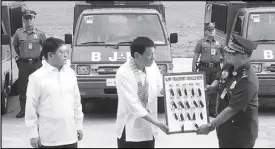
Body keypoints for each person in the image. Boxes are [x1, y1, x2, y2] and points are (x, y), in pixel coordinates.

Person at [196, 34, 259, 148]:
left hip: (240, 134)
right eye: (227, 51)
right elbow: (219, 78)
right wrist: (212, 87)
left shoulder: (247, 81)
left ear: (244, 57)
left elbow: (232, 109)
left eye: (232, 53)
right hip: (225, 127)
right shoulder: (230, 65)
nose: (227, 54)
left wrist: (210, 126)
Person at [25, 37, 84, 148]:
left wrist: (79, 125)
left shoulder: (70, 73)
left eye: (67, 52)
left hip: (70, 136)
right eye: (61, 52)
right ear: (50, 55)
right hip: (49, 138)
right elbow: (31, 107)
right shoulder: (37, 77)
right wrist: (33, 133)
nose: (66, 55)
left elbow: (76, 102)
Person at [115, 37, 169, 148]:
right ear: (137, 55)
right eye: (149, 55)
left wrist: (167, 90)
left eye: (154, 53)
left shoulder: (152, 66)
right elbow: (133, 105)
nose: (153, 58)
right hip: (130, 130)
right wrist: (157, 123)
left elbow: (158, 87)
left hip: (149, 129)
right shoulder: (123, 73)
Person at [13, 9, 46, 118]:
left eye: (30, 18)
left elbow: (45, 47)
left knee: (38, 87)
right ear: (23, 19)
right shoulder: (18, 33)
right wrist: (22, 55)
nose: (28, 21)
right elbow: (16, 46)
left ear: (34, 19)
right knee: (23, 87)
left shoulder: (40, 34)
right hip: (24, 64)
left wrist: (39, 58)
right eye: (26, 18)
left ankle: (39, 110)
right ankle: (23, 110)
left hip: (36, 64)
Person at [192, 22, 223, 117]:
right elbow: (196, 55)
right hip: (204, 68)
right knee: (203, 88)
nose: (212, 31)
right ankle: (203, 109)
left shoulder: (219, 42)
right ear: (206, 31)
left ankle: (212, 110)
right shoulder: (201, 42)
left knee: (214, 89)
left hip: (216, 68)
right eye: (210, 30)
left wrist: (225, 68)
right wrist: (193, 68)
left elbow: (225, 55)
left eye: (213, 29)